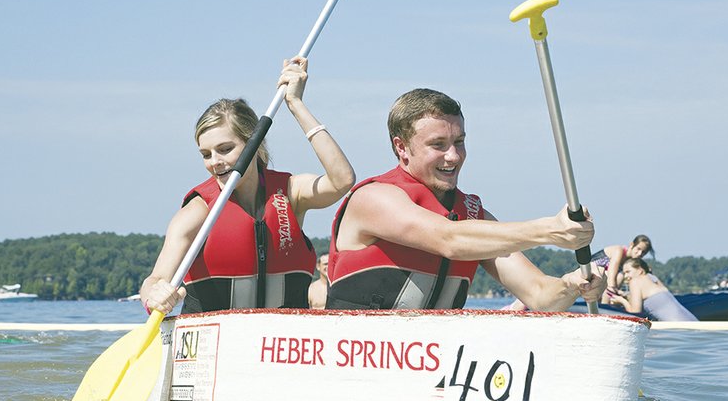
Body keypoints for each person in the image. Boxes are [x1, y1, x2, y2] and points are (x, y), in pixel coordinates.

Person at [325, 88, 606, 311]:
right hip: (355, 359)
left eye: (459, 142)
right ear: (402, 147)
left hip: (428, 364)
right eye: (438, 145)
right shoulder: (372, 199)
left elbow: (541, 295)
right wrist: (551, 230)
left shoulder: (474, 218)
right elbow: (449, 240)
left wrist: (572, 285)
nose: (454, 156)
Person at [141, 57, 355, 315]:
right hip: (216, 347)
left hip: (282, 346)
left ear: (254, 144)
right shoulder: (196, 211)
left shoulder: (290, 192)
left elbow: (342, 180)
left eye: (225, 149)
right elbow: (155, 279)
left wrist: (296, 104)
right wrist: (154, 293)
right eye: (206, 154)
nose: (215, 163)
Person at [609, 258, 697, 321]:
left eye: (628, 272)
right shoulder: (653, 278)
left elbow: (635, 312)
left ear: (640, 270)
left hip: (678, 329)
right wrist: (626, 296)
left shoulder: (635, 281)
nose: (626, 276)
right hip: (693, 322)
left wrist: (621, 301)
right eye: (624, 273)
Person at [592, 234, 653, 302]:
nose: (639, 254)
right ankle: (604, 303)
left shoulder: (630, 263)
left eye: (643, 252)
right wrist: (612, 288)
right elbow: (612, 271)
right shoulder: (619, 251)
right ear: (632, 245)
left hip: (600, 281)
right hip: (589, 271)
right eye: (638, 249)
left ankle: (605, 303)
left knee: (621, 275)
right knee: (610, 276)